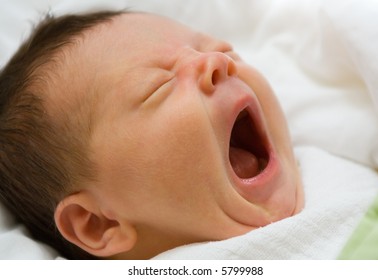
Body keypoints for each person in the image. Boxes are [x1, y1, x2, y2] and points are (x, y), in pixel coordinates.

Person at [0, 10, 304, 259]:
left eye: (217, 48)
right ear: (99, 223)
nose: (217, 61)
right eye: (158, 86)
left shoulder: (336, 164)